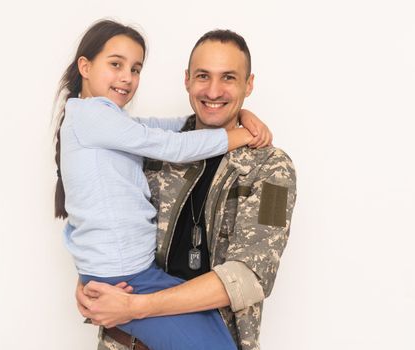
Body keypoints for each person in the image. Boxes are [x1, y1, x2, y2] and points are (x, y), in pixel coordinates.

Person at [54, 20, 273, 350]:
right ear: (187, 80)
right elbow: (104, 211)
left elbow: (250, 276)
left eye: (228, 77)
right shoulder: (148, 147)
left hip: (163, 309)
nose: (213, 91)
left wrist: (136, 306)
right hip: (127, 330)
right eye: (203, 76)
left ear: (249, 84)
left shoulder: (271, 169)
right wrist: (93, 281)